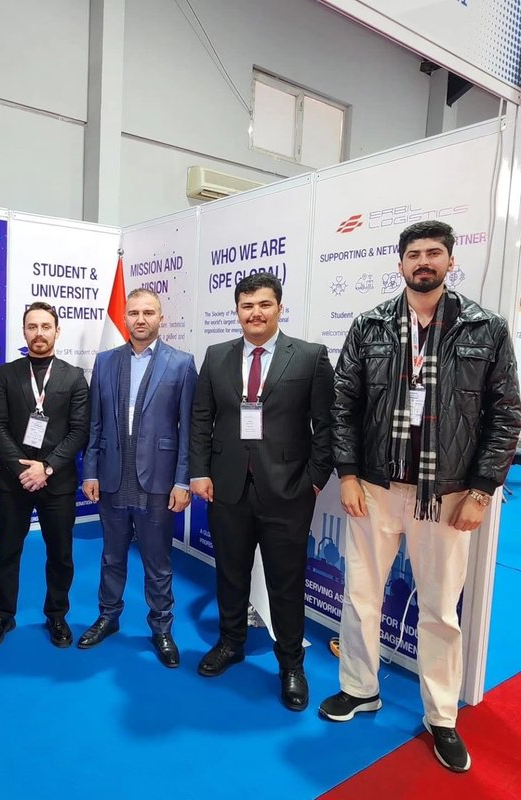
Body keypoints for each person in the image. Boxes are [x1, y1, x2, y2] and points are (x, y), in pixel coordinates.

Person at [319, 220, 521, 772]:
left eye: (434, 253)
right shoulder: (370, 325)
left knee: (439, 609)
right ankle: (359, 688)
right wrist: (348, 475)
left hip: (447, 494)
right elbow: (344, 406)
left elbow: (506, 415)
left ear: (451, 261)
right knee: (361, 595)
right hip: (376, 487)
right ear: (401, 264)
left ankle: (441, 715)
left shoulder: (485, 328)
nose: (423, 262)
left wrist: (483, 489)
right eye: (414, 254)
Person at [190, 274, 334, 710]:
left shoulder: (308, 356)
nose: (255, 313)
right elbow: (201, 418)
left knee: (285, 583)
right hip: (227, 487)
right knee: (230, 573)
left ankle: (290, 664)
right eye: (247, 305)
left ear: (279, 308)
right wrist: (200, 472)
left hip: (288, 491)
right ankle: (230, 642)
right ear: (237, 310)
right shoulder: (216, 356)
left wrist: (314, 480)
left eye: (264, 304)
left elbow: (327, 425)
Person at [79, 289, 197, 667]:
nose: (140, 319)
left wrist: (182, 481)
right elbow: (95, 424)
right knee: (111, 556)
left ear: (161, 317)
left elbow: (188, 430)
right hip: (112, 477)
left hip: (159, 481)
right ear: (125, 318)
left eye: (148, 312)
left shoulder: (182, 364)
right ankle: (108, 617)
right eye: (134, 313)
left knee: (157, 561)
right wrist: (90, 470)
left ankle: (161, 627)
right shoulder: (105, 361)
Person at [0, 302, 89, 649]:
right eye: (32, 326)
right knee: (6, 552)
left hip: (58, 482)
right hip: (15, 482)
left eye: (45, 326)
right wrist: (22, 468)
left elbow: (79, 430)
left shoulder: (74, 377)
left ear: (57, 331)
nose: (39, 333)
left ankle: (57, 615)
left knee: (61, 554)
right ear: (24, 331)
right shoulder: (6, 374)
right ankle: (2, 614)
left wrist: (48, 467)